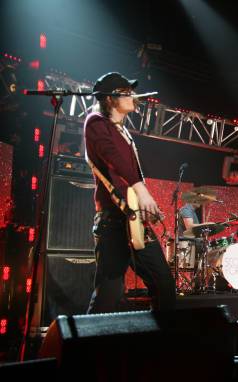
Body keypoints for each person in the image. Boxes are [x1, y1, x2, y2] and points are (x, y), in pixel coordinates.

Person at [84, 72, 175, 313]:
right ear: (112, 99)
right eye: (127, 92)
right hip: (112, 222)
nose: (134, 96)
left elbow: (127, 175)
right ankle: (85, 349)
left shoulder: (123, 132)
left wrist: (144, 205)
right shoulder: (95, 123)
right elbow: (112, 159)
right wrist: (141, 189)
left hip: (134, 219)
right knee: (109, 294)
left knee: (164, 283)